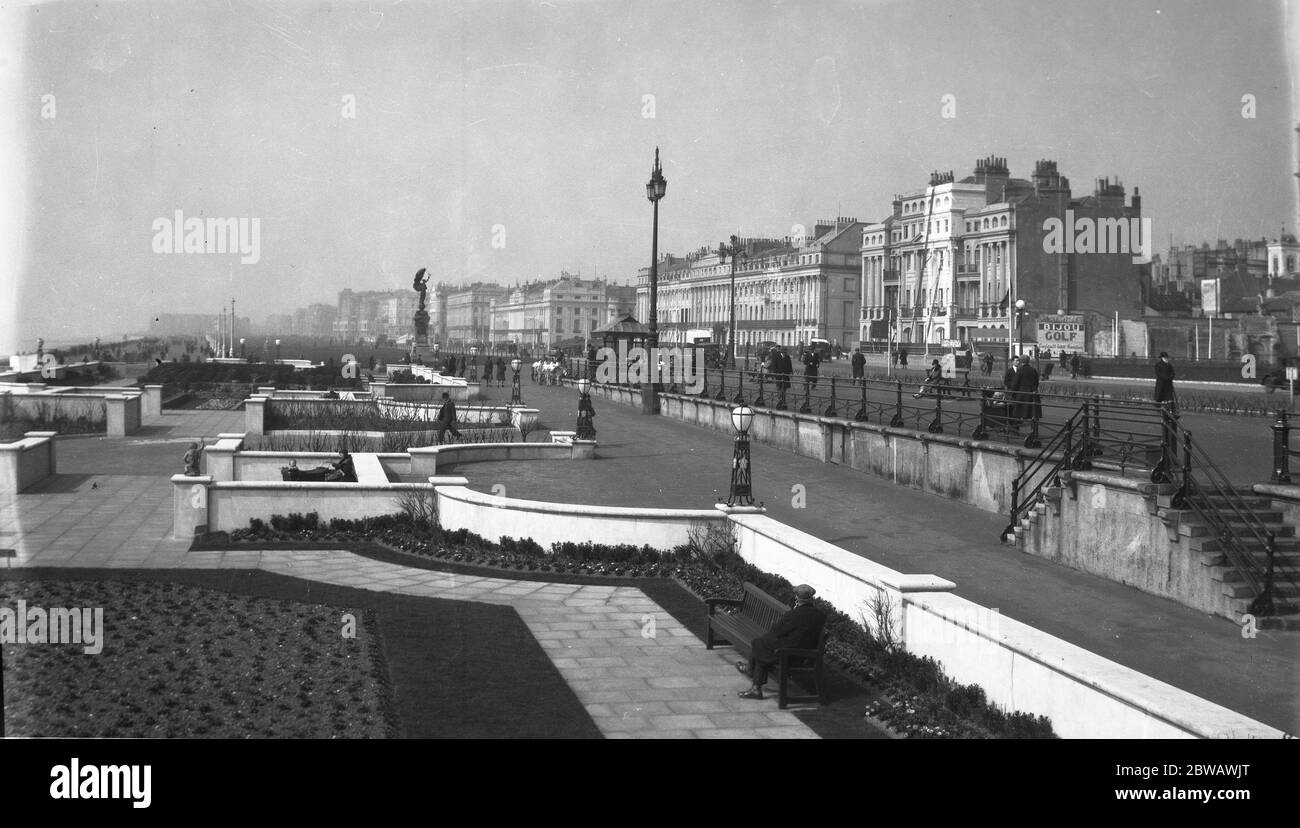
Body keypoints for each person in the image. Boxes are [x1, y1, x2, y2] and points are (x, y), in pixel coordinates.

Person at [737, 584, 827, 700]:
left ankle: (754, 681)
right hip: (806, 654)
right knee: (762, 644)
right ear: (812, 598)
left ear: (797, 598)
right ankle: (751, 673)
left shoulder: (794, 614)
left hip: (790, 654)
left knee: (760, 645)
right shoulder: (820, 616)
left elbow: (776, 631)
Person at [1011, 355, 1042, 423]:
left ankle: (1017, 430)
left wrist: (1012, 393)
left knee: (1018, 414)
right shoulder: (1033, 370)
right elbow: (1036, 382)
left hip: (1022, 394)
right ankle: (1034, 430)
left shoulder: (1020, 370)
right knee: (1033, 414)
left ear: (1021, 361)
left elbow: (1015, 383)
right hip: (1033, 393)